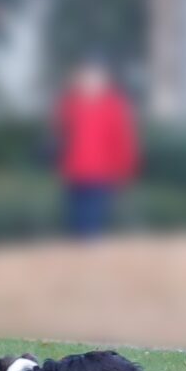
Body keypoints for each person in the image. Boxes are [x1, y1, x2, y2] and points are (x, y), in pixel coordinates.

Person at [55, 60, 141, 238]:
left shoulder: (114, 106)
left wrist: (125, 171)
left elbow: (123, 141)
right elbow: (62, 136)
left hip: (101, 172)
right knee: (74, 221)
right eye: (84, 77)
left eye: (93, 78)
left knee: (93, 222)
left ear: (103, 81)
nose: (88, 82)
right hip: (74, 171)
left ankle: (91, 254)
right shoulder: (70, 104)